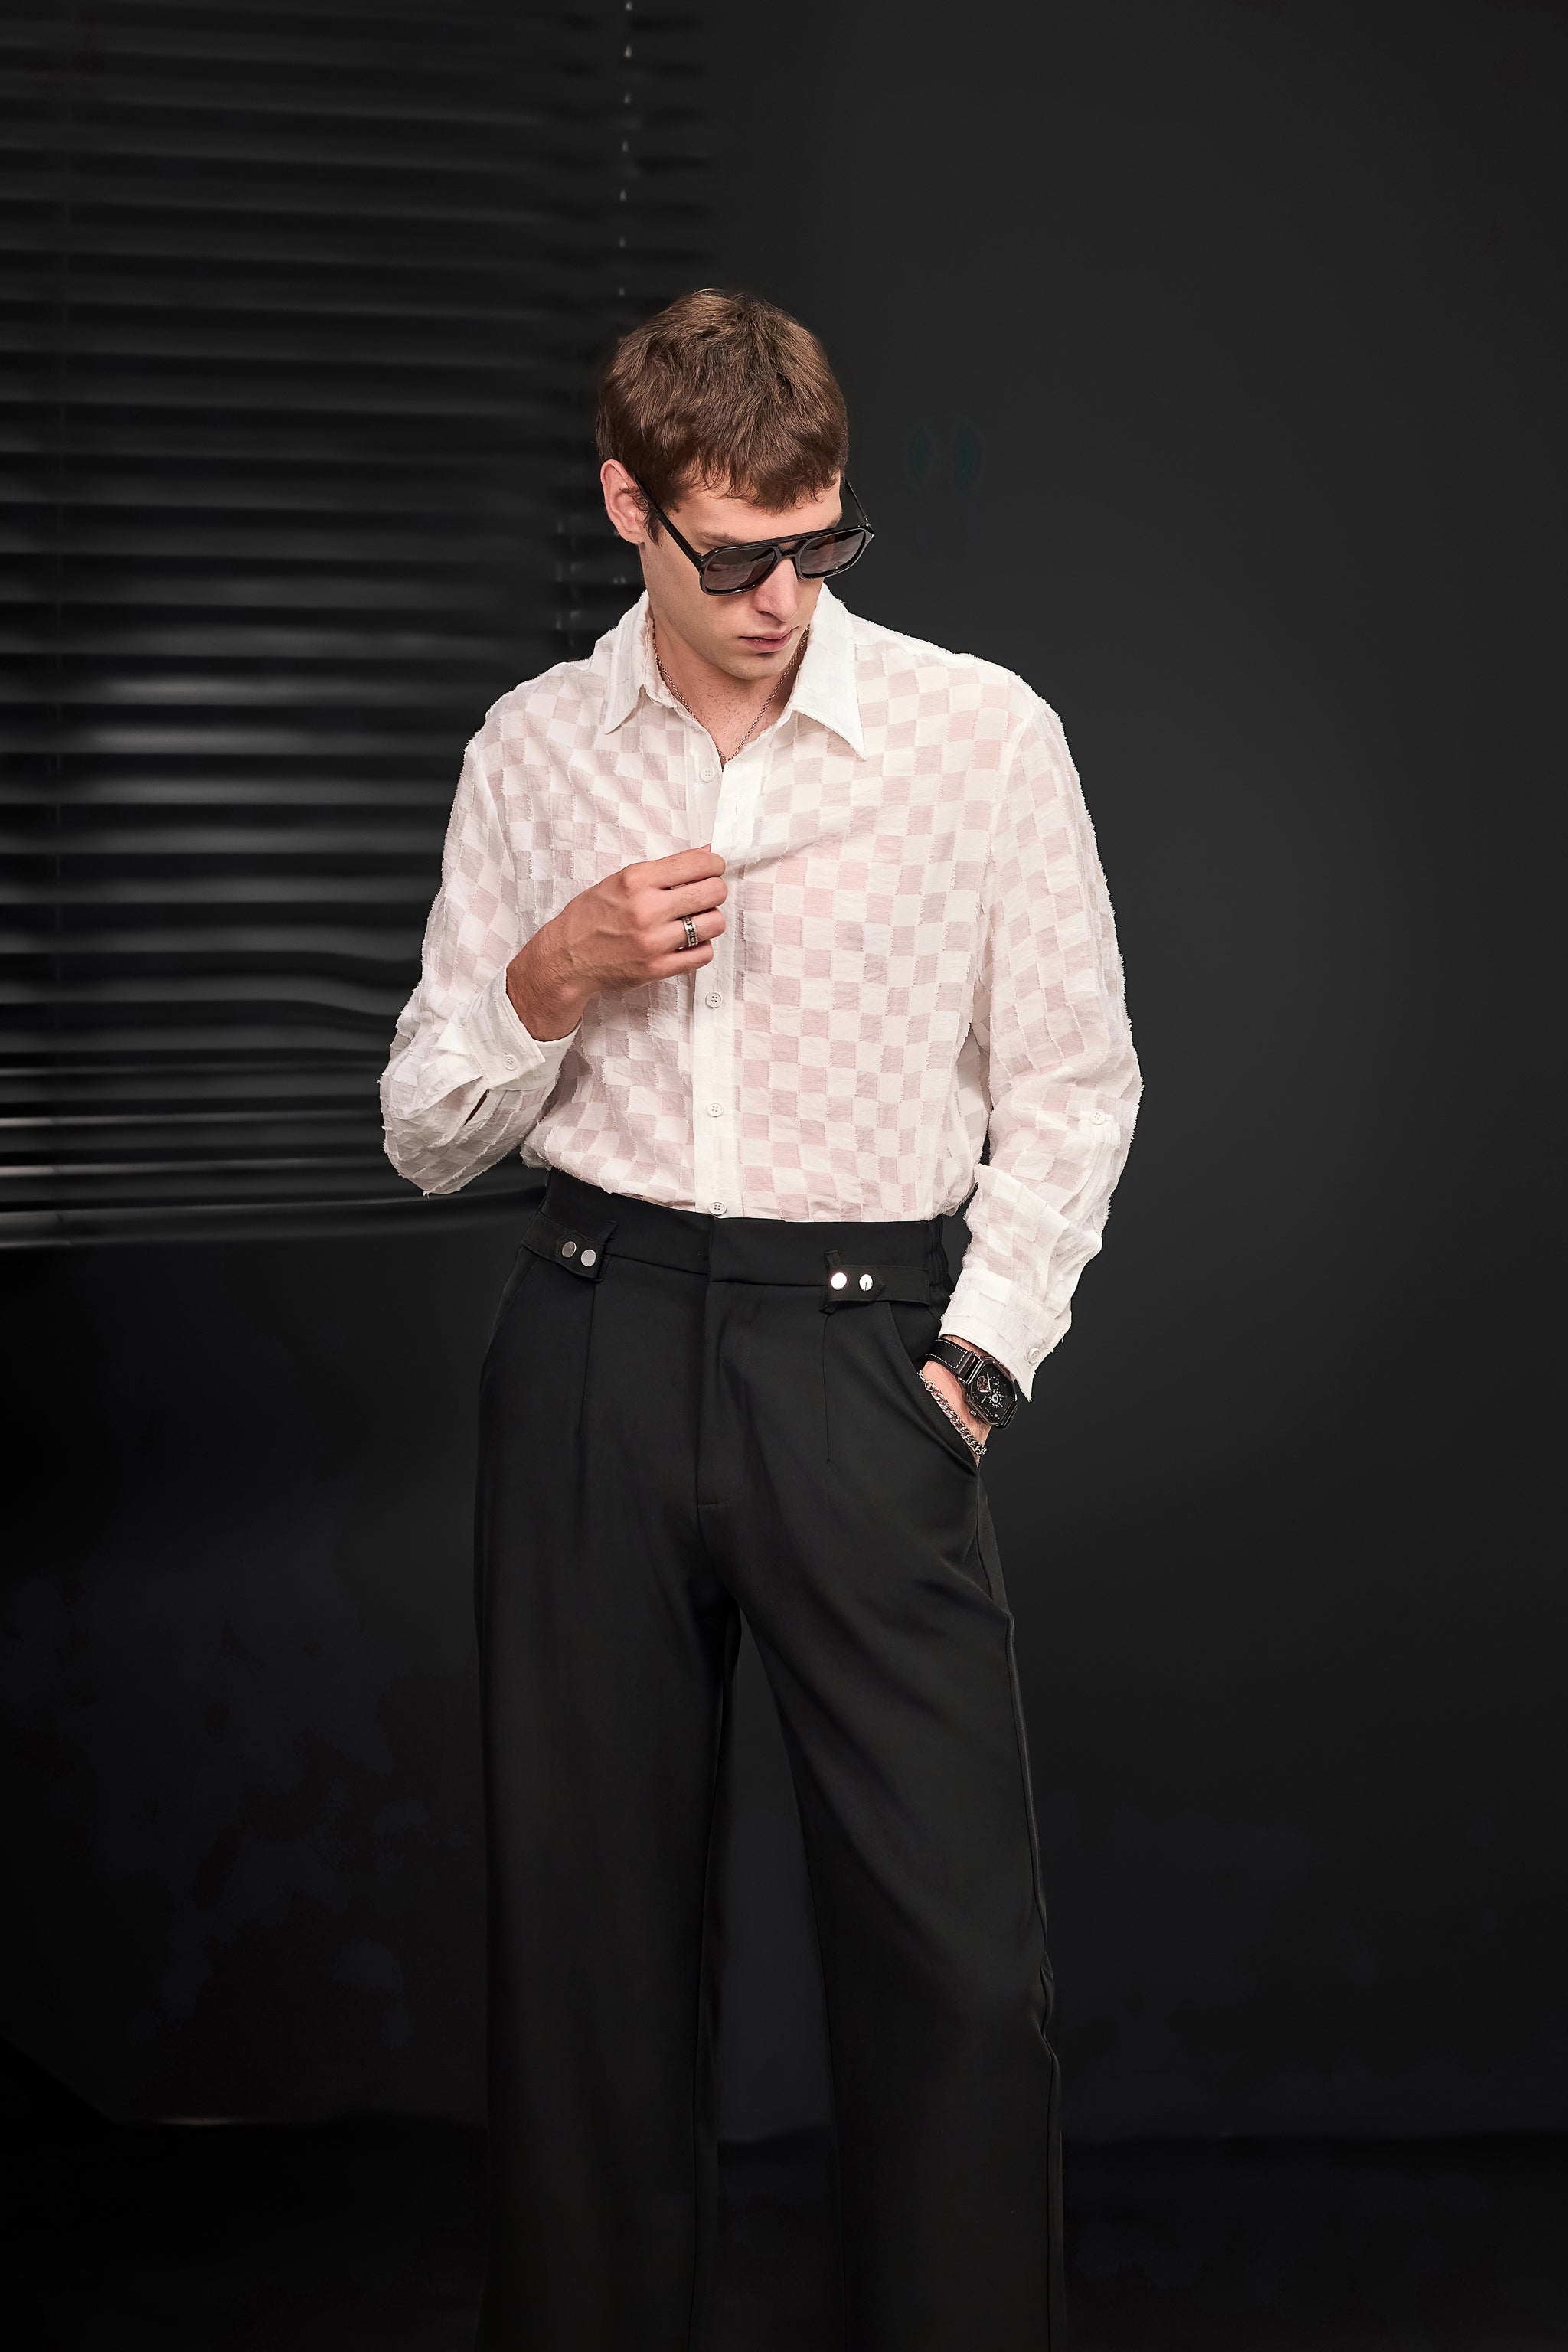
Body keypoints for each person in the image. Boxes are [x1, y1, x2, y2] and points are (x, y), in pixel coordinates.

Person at [380, 287, 1140, 2352]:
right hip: (594, 1344)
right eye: (733, 558)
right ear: (627, 507)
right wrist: (555, 972)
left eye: (819, 546)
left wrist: (977, 1361)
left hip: (862, 1355)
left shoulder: (980, 738)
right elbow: (428, 1134)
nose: (781, 601)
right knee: (589, 1975)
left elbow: (1076, 1086)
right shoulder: (534, 749)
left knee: (957, 1973)